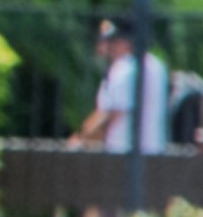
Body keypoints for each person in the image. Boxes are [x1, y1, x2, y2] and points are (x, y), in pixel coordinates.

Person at [67, 16, 187, 151]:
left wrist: (78, 141)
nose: (103, 45)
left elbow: (109, 117)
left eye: (111, 40)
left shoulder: (125, 69)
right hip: (154, 152)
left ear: (126, 42)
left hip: (124, 155)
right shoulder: (156, 65)